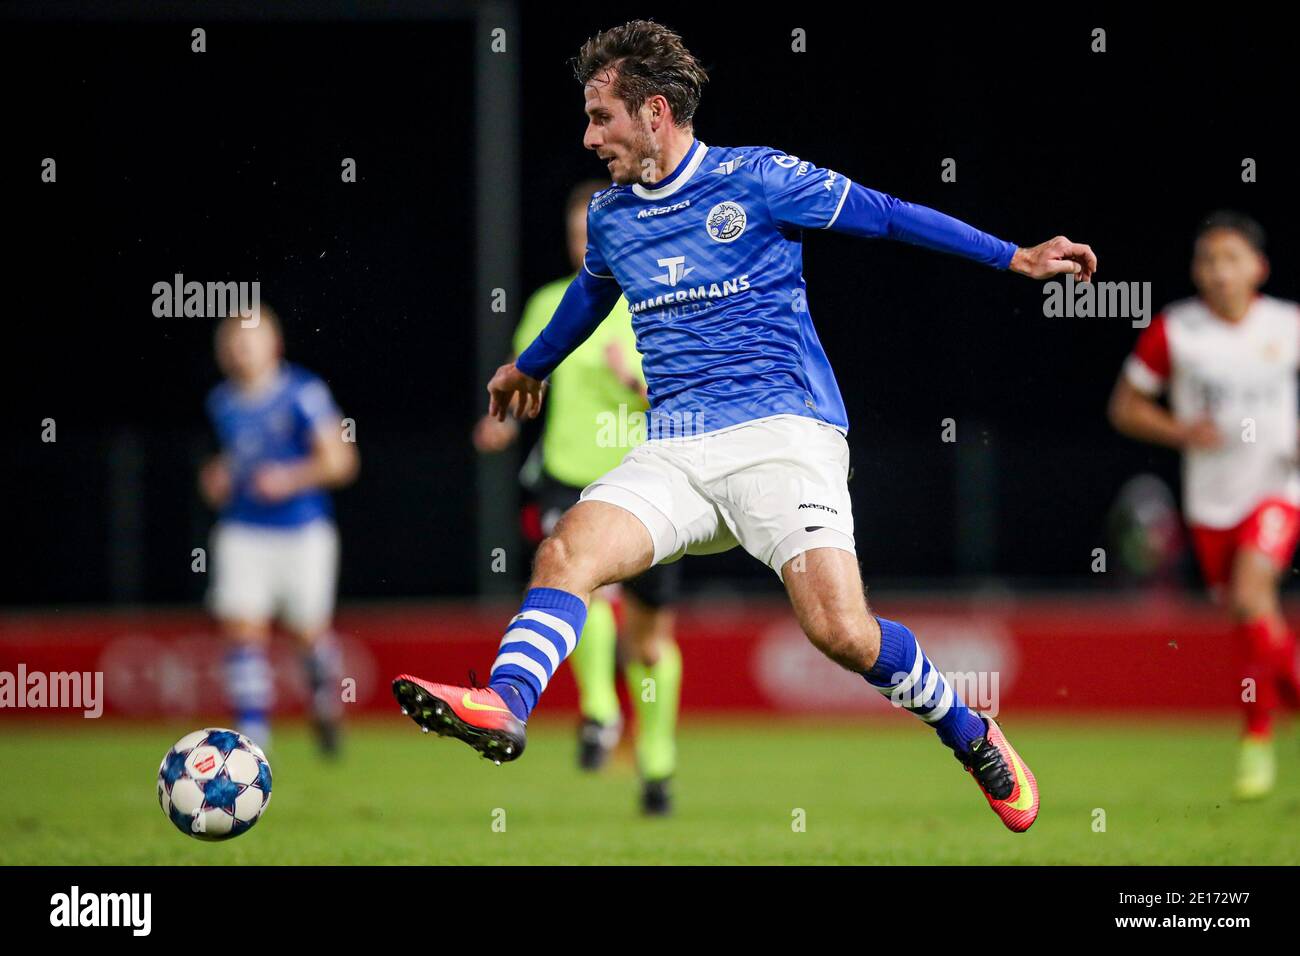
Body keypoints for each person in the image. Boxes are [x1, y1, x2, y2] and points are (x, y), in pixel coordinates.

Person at [395, 19, 1096, 832]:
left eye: (602, 117)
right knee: (565, 550)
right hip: (675, 450)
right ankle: (506, 704)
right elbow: (592, 296)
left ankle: (971, 734)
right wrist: (532, 365)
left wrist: (1013, 256)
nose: (589, 138)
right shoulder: (616, 216)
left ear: (654, 112)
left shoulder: (758, 178)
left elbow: (888, 214)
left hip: (783, 436)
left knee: (840, 631)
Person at [473, 180, 684, 814]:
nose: (584, 246)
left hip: (651, 481)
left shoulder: (663, 300)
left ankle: (658, 761)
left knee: (649, 642)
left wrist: (635, 381)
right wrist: (501, 417)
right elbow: (525, 373)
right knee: (575, 579)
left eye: (593, 234)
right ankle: (597, 712)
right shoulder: (549, 302)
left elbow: (686, 392)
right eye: (575, 236)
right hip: (569, 475)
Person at [1109, 211, 1300, 799]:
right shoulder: (1177, 330)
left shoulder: (1288, 325)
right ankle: (1269, 723)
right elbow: (1126, 407)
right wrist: (1181, 431)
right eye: (1208, 260)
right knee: (1250, 620)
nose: (1219, 272)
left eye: (1231, 259)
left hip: (1277, 492)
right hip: (1211, 506)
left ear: (1258, 267)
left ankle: (1257, 739)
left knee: (1250, 596)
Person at [201, 306, 359, 754]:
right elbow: (231, 461)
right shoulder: (222, 402)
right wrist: (216, 478)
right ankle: (253, 738)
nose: (239, 350)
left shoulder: (302, 394)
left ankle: (324, 702)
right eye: (232, 342)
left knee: (308, 632)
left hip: (302, 531)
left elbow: (343, 461)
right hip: (242, 530)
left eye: (248, 340)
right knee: (242, 627)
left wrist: (289, 478)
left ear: (274, 345)